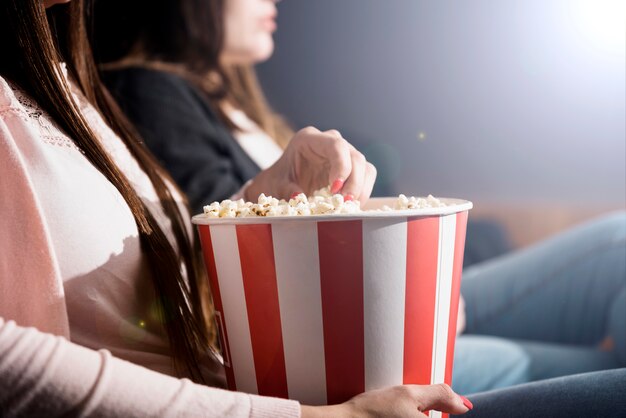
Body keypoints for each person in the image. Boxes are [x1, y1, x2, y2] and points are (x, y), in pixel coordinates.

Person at [92, 0, 626, 396]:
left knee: (616, 248)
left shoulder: (232, 101)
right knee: (607, 295)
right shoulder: (149, 87)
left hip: (368, 304)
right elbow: (228, 251)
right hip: (341, 342)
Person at [0, 0, 463, 416]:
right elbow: (12, 363)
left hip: (258, 389)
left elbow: (151, 276)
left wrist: (263, 193)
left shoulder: (67, 88)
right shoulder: (141, 89)